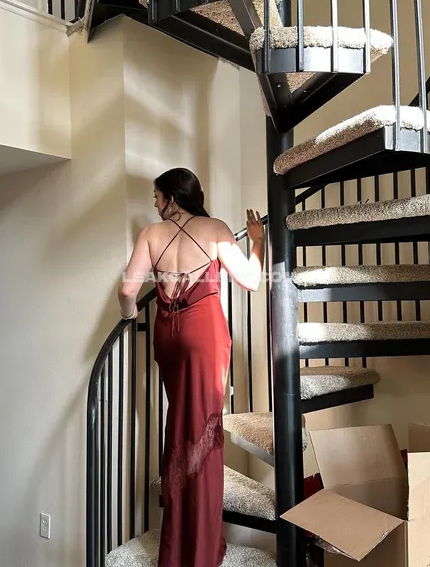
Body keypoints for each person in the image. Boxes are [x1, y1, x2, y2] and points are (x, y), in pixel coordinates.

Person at [118, 168, 265, 567]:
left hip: (168, 335)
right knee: (203, 431)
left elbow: (128, 290)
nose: (154, 204)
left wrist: (130, 317)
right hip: (203, 335)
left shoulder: (151, 235)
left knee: (179, 423)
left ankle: (175, 546)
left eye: (156, 196)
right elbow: (251, 280)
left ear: (172, 198)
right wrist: (257, 242)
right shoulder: (215, 228)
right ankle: (200, 549)